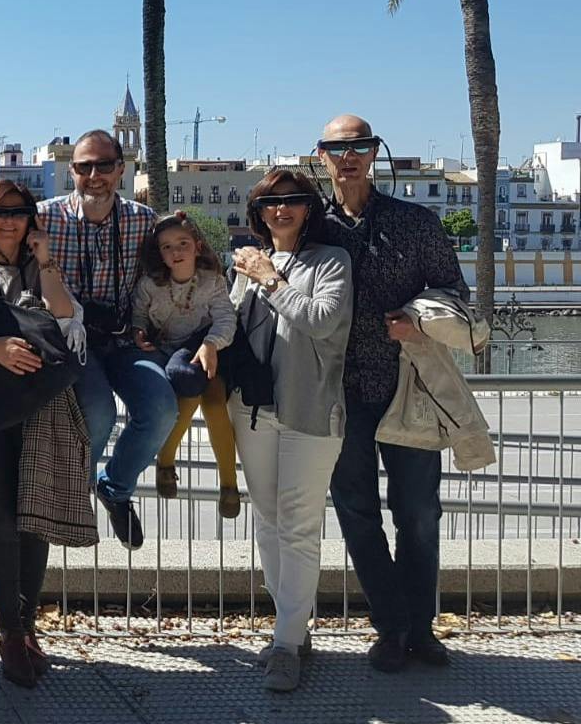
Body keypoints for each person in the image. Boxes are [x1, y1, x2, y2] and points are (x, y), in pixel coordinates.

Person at [318, 114, 467, 671]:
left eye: (358, 146)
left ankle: (421, 629)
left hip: (410, 387)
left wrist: (416, 317)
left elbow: (454, 289)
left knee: (419, 513)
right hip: (341, 394)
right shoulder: (313, 229)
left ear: (374, 152)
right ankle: (391, 627)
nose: (348, 156)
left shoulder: (416, 222)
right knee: (356, 513)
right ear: (322, 156)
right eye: (338, 148)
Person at [0, 180, 95, 688]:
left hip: (37, 406)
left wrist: (46, 258)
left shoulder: (39, 268)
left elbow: (67, 318)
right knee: (0, 516)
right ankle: (9, 630)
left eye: (19, 212)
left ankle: (28, 627)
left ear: (31, 220)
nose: (8, 221)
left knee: (33, 515)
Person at [227, 168, 352, 692]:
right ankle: (291, 630)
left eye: (292, 201)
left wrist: (270, 280)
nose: (281, 210)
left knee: (299, 527)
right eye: (270, 203)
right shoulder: (249, 263)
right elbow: (231, 324)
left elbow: (323, 321)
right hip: (252, 410)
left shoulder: (332, 262)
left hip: (310, 412)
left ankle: (285, 644)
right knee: (269, 520)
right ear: (258, 212)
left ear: (308, 208)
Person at [37, 130, 173, 550]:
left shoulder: (142, 221)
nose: (94, 176)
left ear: (121, 169)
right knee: (97, 413)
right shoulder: (46, 217)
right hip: (73, 341)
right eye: (83, 167)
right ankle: (75, 499)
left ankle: (113, 489)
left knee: (160, 408)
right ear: (71, 171)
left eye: (103, 166)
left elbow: (174, 271)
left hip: (123, 337)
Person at [133, 212, 241, 516]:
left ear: (196, 246)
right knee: (187, 384)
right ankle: (165, 460)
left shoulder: (213, 282)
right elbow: (139, 315)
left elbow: (225, 318)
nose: (176, 251)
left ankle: (228, 485)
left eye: (182, 243)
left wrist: (211, 345)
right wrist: (138, 332)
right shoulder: (150, 285)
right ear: (160, 254)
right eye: (167, 247)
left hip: (208, 349)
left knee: (215, 405)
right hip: (171, 354)